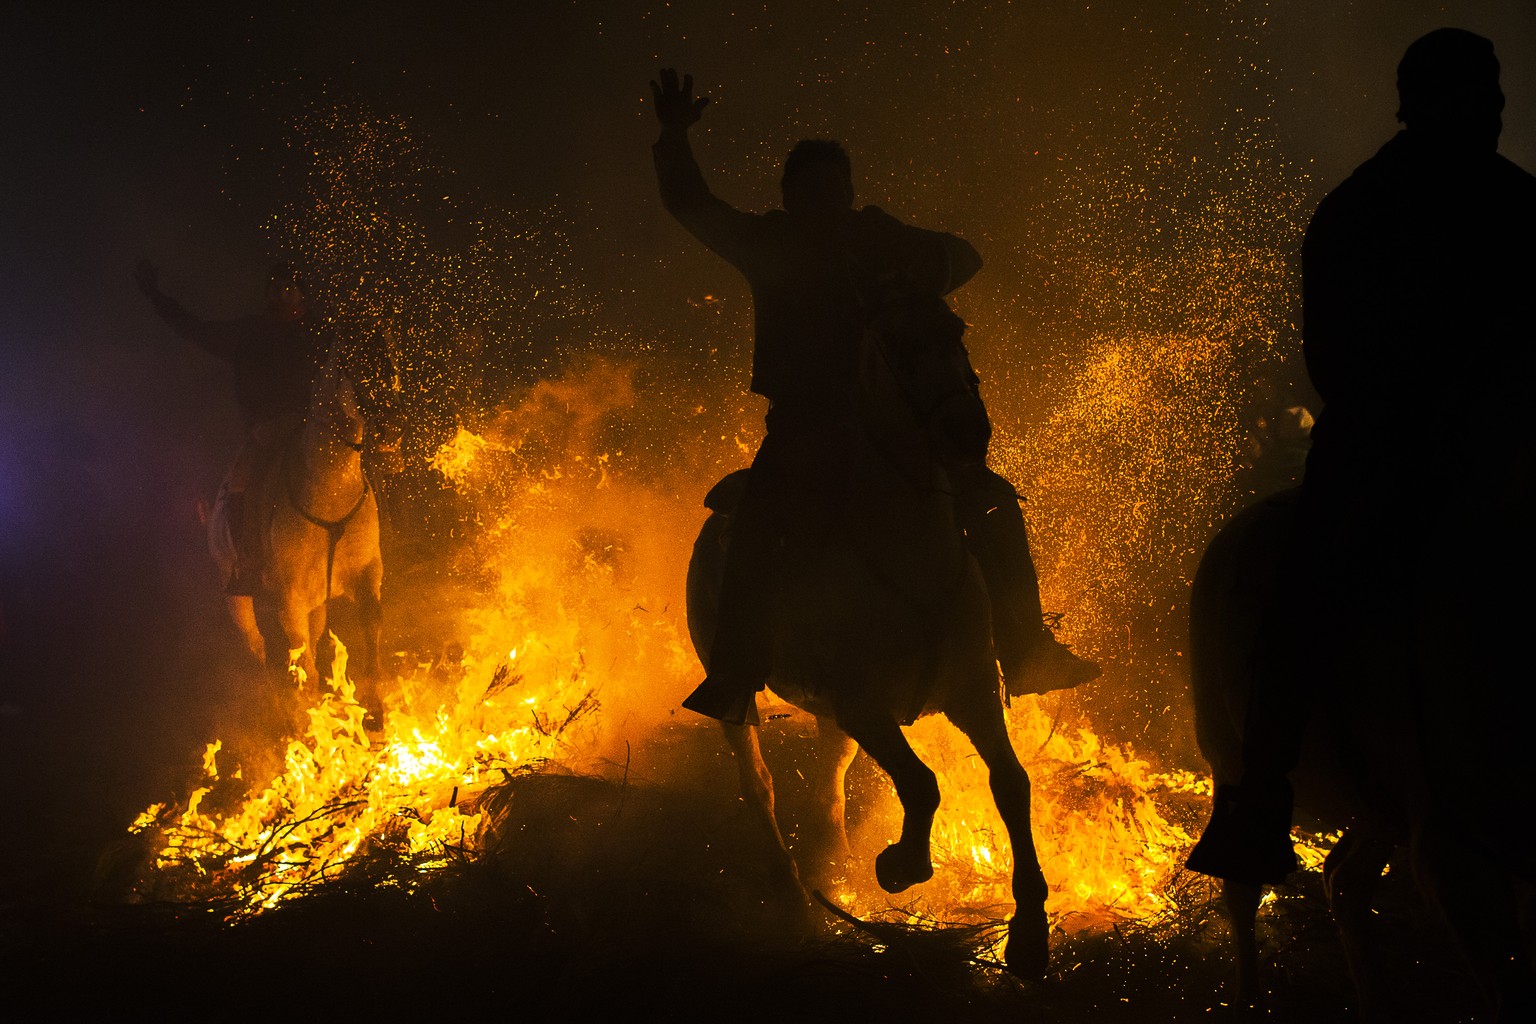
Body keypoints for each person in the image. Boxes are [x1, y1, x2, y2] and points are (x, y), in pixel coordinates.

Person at [1186, 28, 1536, 885]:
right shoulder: (1362, 211)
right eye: (1468, 101)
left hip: (1509, 444)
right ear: (1420, 107)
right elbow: (1337, 360)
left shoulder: (1523, 206)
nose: (1486, 116)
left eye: (1492, 100)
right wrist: (1438, 423)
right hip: (1389, 449)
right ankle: (1259, 797)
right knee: (1302, 586)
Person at [650, 68, 1099, 726]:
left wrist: (898, 249)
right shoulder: (770, 245)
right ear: (790, 198)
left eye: (836, 190)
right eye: (811, 191)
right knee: (755, 525)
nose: (824, 202)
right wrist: (672, 137)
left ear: (851, 194)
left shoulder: (875, 244)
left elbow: (964, 259)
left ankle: (1027, 649)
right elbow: (692, 205)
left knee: (991, 501)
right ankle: (739, 666)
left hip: (893, 433)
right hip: (804, 433)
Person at [135, 259, 326, 595]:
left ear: (301, 294)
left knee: (357, 460)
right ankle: (250, 563)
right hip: (265, 429)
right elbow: (194, 328)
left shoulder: (318, 333)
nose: (283, 295)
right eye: (276, 288)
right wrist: (156, 297)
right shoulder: (250, 333)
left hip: (314, 425)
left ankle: (390, 541)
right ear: (269, 294)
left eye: (289, 288)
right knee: (241, 484)